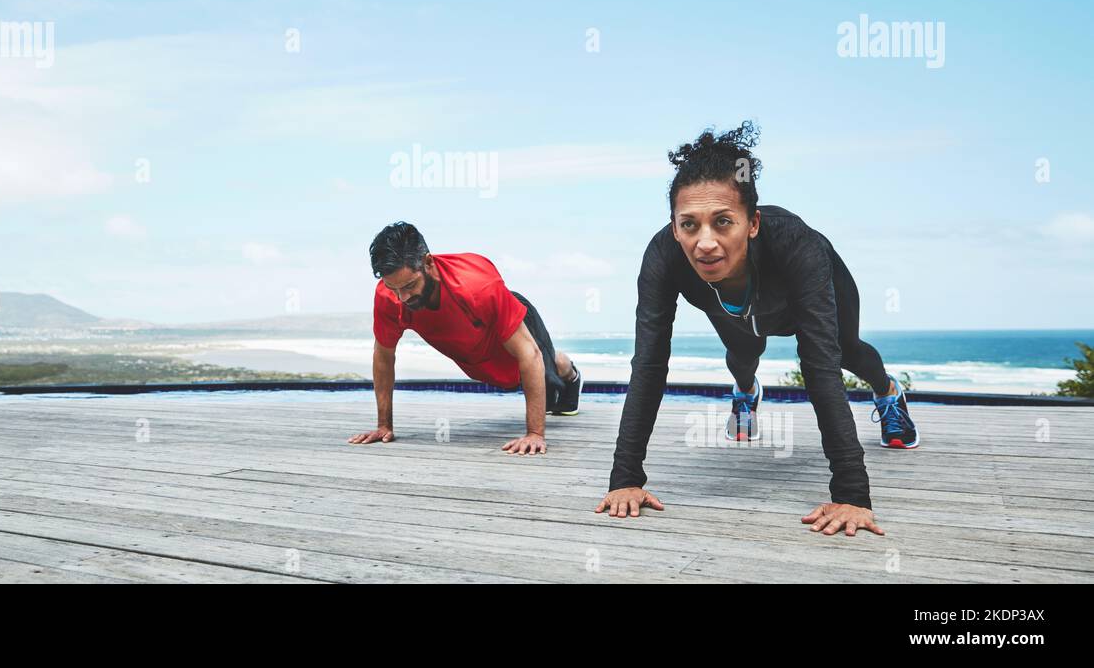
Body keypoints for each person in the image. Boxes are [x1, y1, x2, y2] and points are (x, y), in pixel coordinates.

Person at [596, 121, 917, 536]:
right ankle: (746, 395)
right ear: (675, 227)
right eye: (689, 224)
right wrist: (625, 479)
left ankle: (889, 393)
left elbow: (819, 366)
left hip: (801, 294)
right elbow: (650, 364)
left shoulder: (798, 245)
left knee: (847, 350)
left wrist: (852, 495)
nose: (705, 242)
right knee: (744, 354)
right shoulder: (663, 256)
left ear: (752, 223)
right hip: (734, 308)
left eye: (723, 221)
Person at [349, 222, 583, 455]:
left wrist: (535, 434)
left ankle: (567, 371)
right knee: (510, 379)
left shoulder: (478, 285)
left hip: (511, 318)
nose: (402, 298)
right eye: (393, 288)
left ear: (428, 263)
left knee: (548, 381)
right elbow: (383, 356)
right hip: (478, 351)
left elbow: (529, 353)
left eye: (410, 286)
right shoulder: (388, 297)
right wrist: (384, 425)